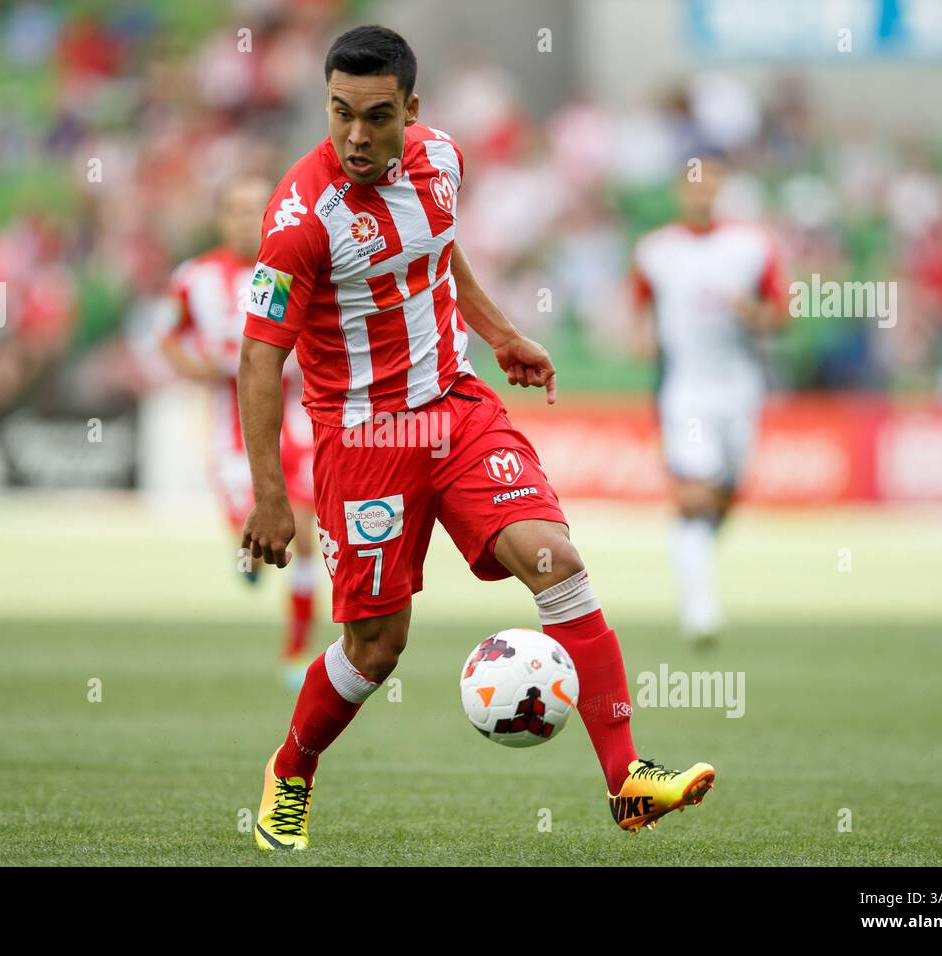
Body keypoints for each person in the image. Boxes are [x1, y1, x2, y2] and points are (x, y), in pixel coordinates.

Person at [239, 25, 715, 850]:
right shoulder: (299, 221)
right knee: (376, 650)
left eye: (376, 116)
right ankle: (292, 768)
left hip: (456, 407)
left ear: (411, 111)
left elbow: (437, 250)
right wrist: (271, 499)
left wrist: (497, 335)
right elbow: (256, 360)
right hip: (365, 439)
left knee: (557, 561)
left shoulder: (442, 161)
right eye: (340, 114)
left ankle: (628, 781)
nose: (356, 136)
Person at [163, 174, 318, 687]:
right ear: (221, 217)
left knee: (304, 534)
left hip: (294, 420)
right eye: (236, 209)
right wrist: (198, 369)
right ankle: (247, 553)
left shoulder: (290, 269)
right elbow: (169, 338)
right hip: (231, 428)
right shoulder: (194, 277)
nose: (247, 219)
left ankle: (296, 651)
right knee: (252, 536)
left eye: (258, 208)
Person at [629, 155, 788, 642]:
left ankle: (692, 561)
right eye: (693, 186)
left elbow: (782, 313)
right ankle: (699, 607)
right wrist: (644, 340)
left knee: (726, 497)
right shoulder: (656, 250)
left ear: (720, 189)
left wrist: (755, 315)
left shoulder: (751, 245)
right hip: (686, 389)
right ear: (681, 191)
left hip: (740, 388)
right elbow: (638, 311)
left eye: (710, 184)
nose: (702, 193)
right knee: (695, 494)